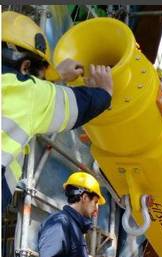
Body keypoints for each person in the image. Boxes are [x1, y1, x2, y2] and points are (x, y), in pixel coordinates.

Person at [2, 10, 113, 208]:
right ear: (25, 66)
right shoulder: (26, 92)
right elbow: (77, 105)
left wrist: (56, 75)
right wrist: (104, 91)